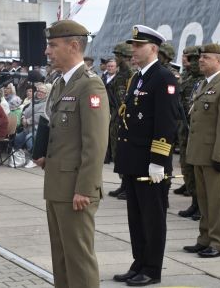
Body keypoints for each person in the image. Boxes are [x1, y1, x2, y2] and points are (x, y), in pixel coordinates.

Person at [33, 20, 109, 288]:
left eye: (52, 45)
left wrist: (85, 189)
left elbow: (95, 143)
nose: (47, 51)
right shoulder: (61, 84)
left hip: (76, 189)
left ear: (73, 45)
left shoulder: (90, 86)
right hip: (57, 184)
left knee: (79, 259)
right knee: (61, 257)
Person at [111, 25, 178, 286]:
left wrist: (159, 161)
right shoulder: (138, 77)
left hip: (150, 162)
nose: (133, 51)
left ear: (153, 48)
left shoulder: (164, 78)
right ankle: (138, 263)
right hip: (133, 159)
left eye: (138, 46)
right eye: (133, 46)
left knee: (152, 218)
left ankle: (152, 269)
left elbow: (166, 123)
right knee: (136, 218)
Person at [183, 43, 220, 258]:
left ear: (219, 61)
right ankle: (205, 238)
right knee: (204, 201)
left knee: (218, 202)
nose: (201, 60)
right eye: (200, 58)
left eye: (206, 57)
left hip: (215, 155)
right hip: (200, 154)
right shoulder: (203, 84)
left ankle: (218, 243)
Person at [176, 46, 204, 220]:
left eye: (196, 59)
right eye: (190, 59)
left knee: (198, 169)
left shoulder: (205, 81)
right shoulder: (187, 80)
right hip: (184, 129)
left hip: (198, 130)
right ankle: (194, 202)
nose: (193, 63)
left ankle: (201, 205)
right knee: (187, 166)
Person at [108, 42, 135, 200]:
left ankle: (128, 186)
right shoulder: (119, 74)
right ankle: (124, 184)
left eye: (119, 56)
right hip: (116, 118)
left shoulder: (130, 75)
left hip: (125, 120)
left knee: (125, 154)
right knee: (118, 153)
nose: (116, 58)